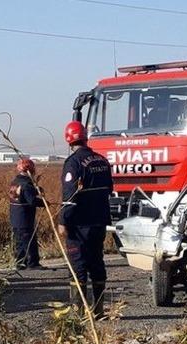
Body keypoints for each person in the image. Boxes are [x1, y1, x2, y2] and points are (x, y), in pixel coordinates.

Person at [59, 120, 113, 320]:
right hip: (99, 222)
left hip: (79, 225)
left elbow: (70, 197)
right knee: (97, 263)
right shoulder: (102, 160)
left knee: (78, 267)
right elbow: (109, 188)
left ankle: (78, 313)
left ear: (68, 140)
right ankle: (98, 311)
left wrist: (63, 221)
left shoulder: (73, 163)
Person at [8, 158, 45, 269]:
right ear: (31, 169)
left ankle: (20, 263)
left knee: (19, 242)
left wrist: (36, 188)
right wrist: (44, 203)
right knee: (30, 241)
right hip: (24, 218)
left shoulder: (15, 181)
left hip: (15, 217)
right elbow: (32, 201)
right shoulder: (26, 184)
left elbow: (23, 195)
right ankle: (33, 263)